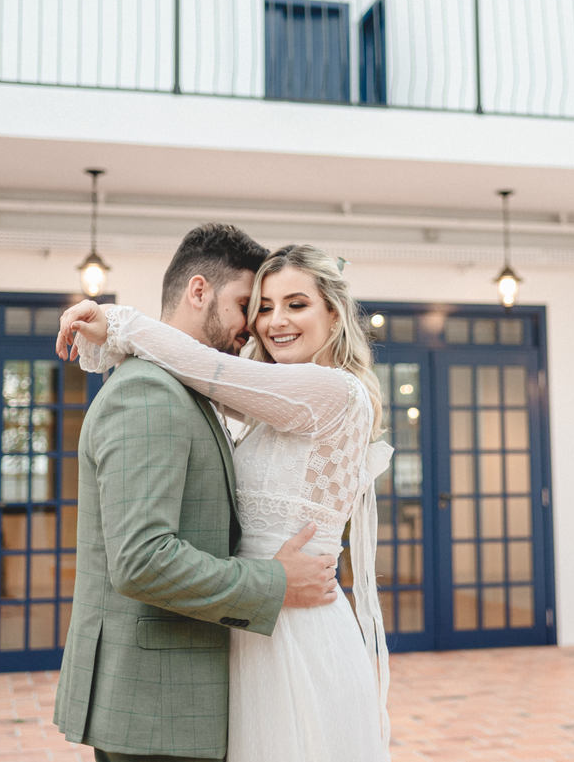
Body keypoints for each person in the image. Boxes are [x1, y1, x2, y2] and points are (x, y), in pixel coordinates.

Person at [61, 243, 393, 762]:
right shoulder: (266, 406)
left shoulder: (333, 392)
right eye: (260, 306)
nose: (271, 322)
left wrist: (119, 323)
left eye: (296, 304)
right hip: (247, 624)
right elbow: (200, 380)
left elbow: (211, 370)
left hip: (296, 625)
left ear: (334, 311)